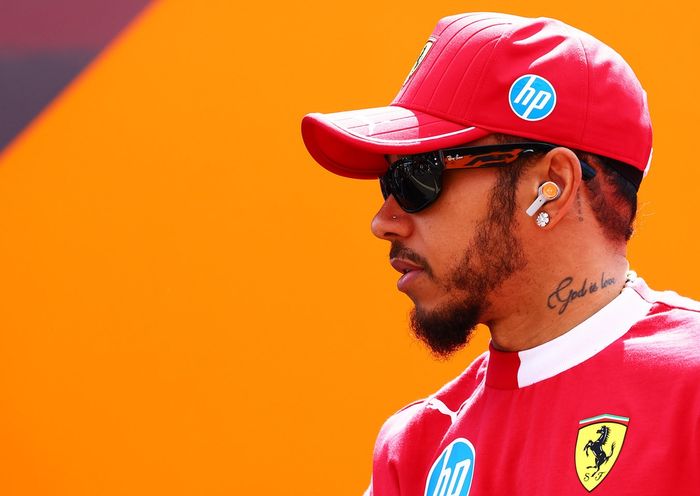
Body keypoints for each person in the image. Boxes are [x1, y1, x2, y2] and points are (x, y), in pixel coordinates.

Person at [301, 12, 700, 495]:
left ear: (552, 186)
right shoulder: (414, 451)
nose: (383, 221)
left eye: (419, 176)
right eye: (389, 180)